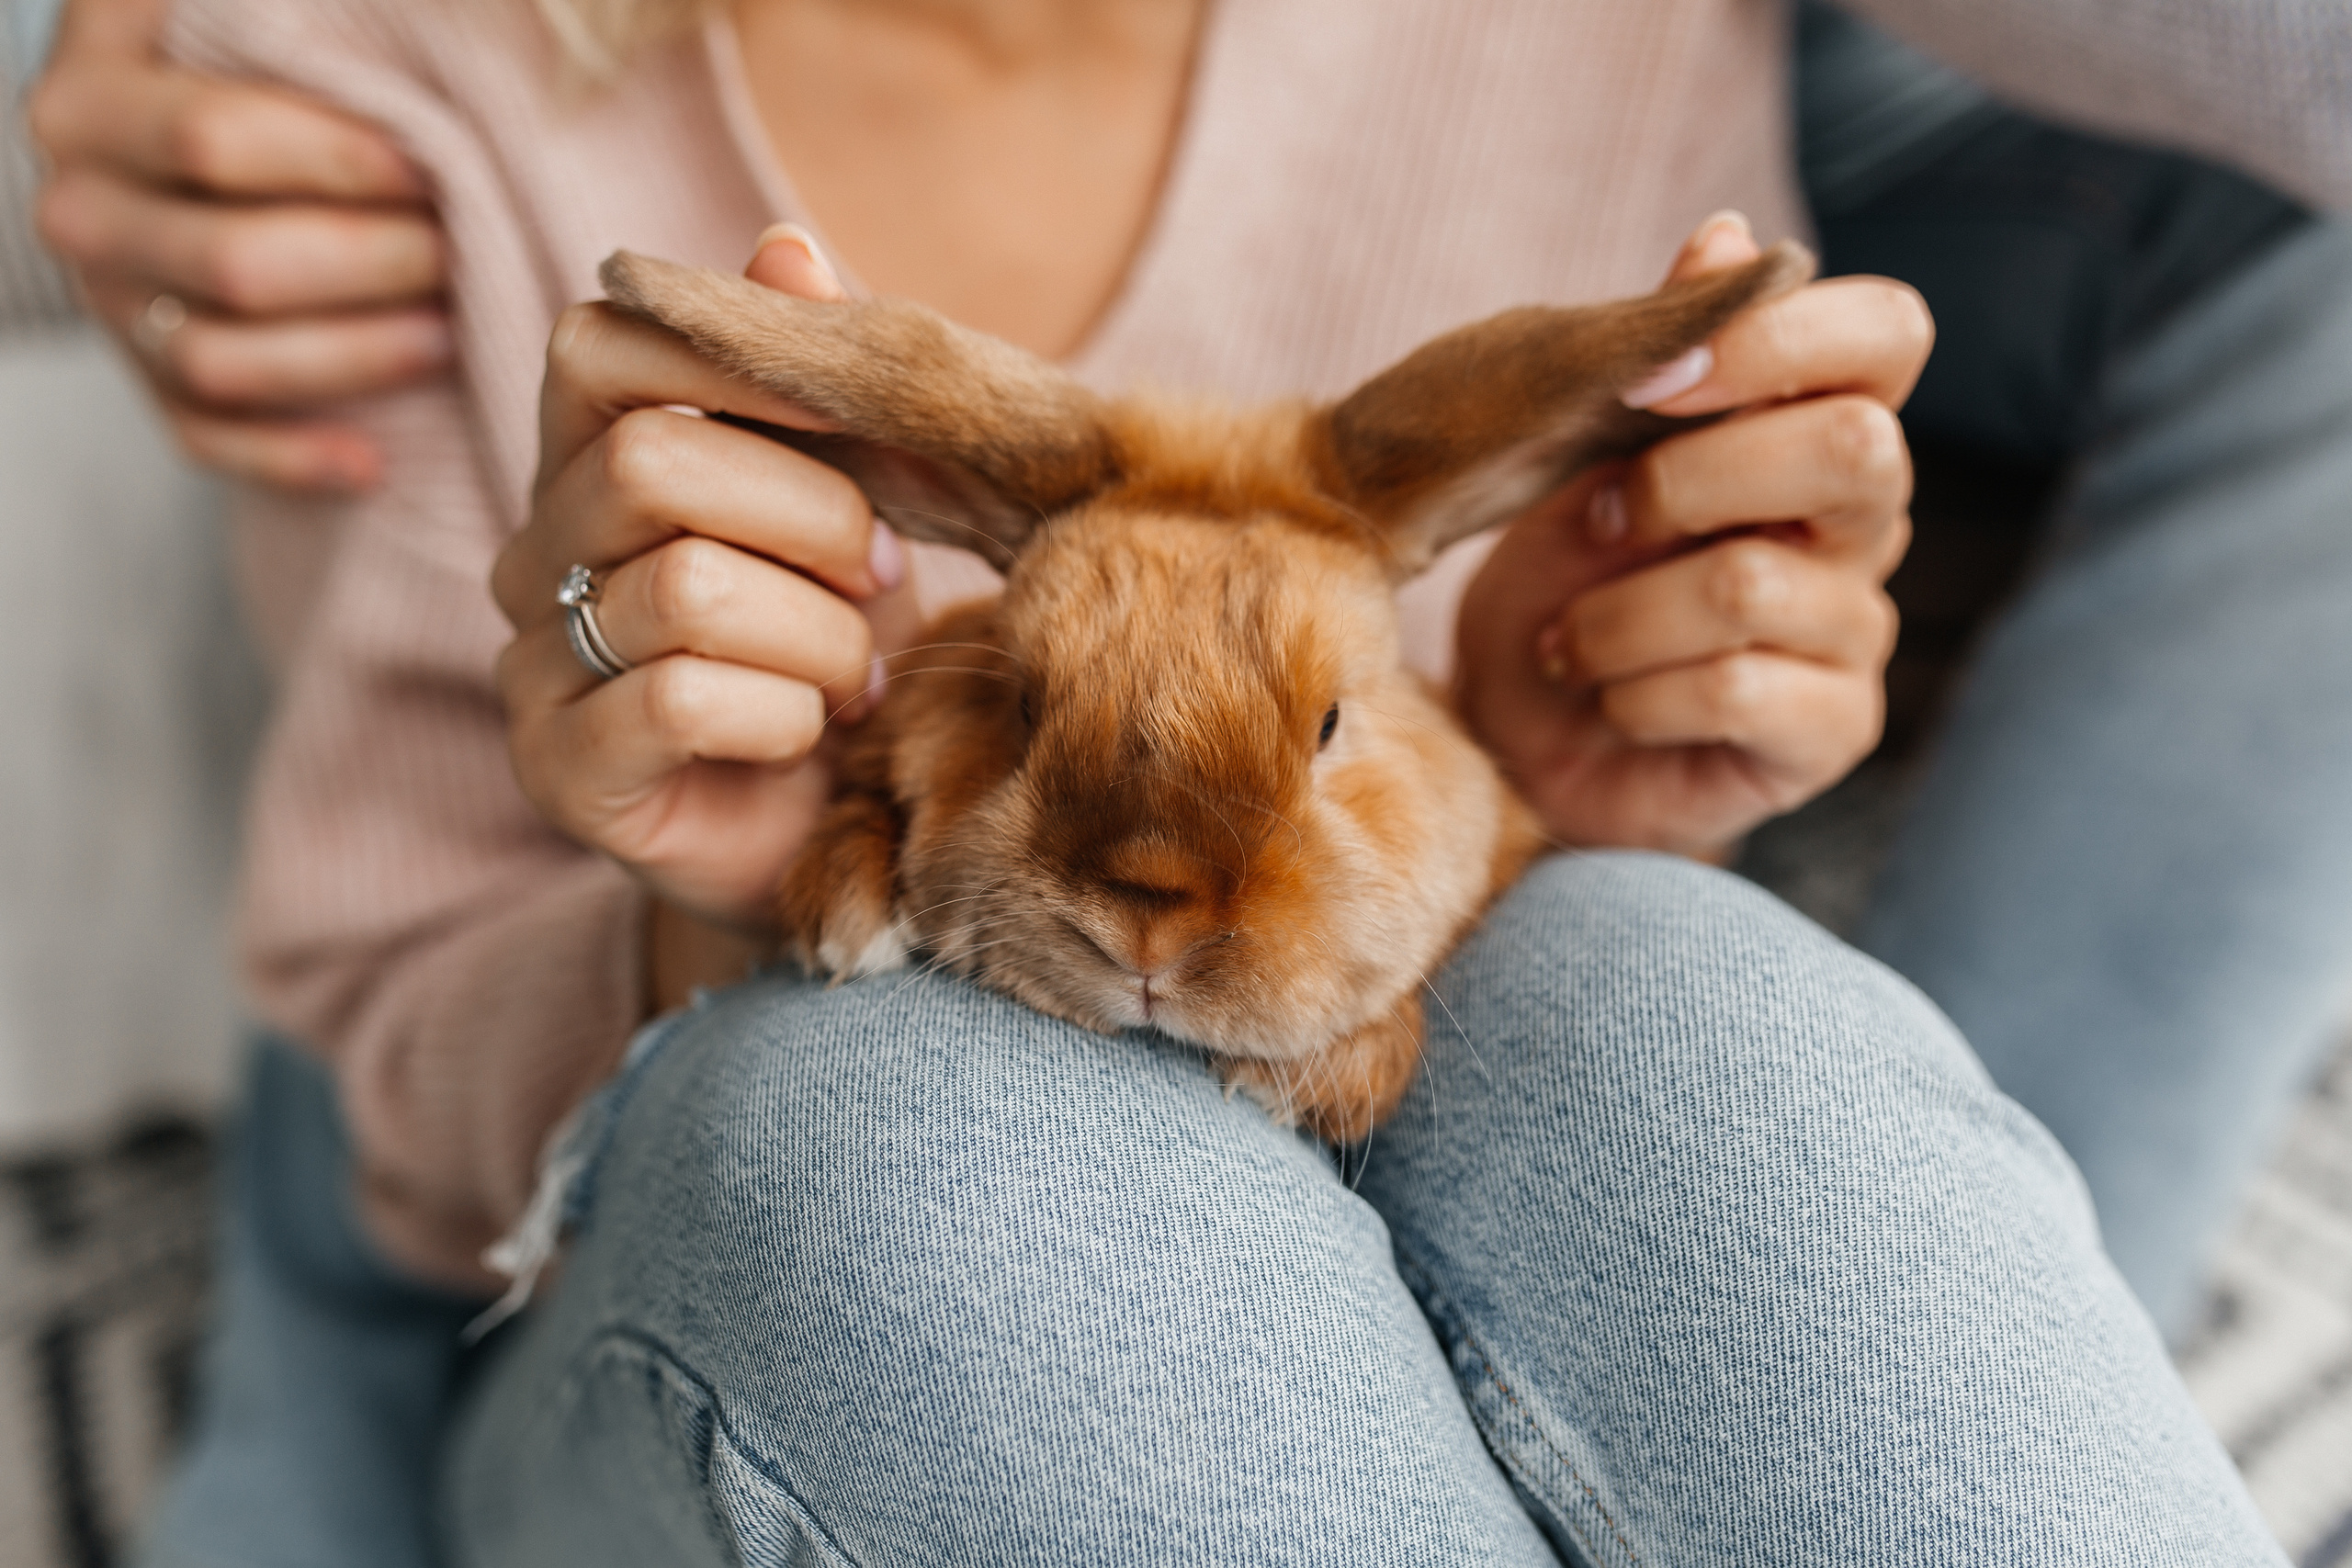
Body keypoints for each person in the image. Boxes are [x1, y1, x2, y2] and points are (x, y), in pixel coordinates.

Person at [24, 0, 2340, 1560]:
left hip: (1481, 1048)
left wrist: (1571, 769)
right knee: (928, 1135)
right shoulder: (330, 97)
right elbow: (388, 1107)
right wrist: (737, 882)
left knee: (1690, 1002)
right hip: (601, 1241)